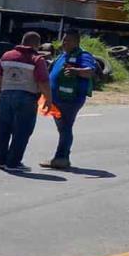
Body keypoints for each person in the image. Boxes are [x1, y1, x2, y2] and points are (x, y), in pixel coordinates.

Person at [0, 31, 52, 172]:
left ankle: (1, 160)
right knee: (22, 131)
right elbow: (42, 81)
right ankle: (13, 163)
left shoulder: (7, 55)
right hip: (26, 97)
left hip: (6, 95)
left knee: (4, 129)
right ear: (36, 44)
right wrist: (49, 99)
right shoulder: (36, 59)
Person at [40, 32, 96, 170]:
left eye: (68, 40)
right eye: (64, 40)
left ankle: (61, 158)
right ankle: (61, 158)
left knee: (65, 128)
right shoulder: (63, 55)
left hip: (70, 100)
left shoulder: (83, 55)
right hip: (57, 99)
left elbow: (90, 71)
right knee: (63, 128)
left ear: (76, 42)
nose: (64, 43)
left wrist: (76, 71)